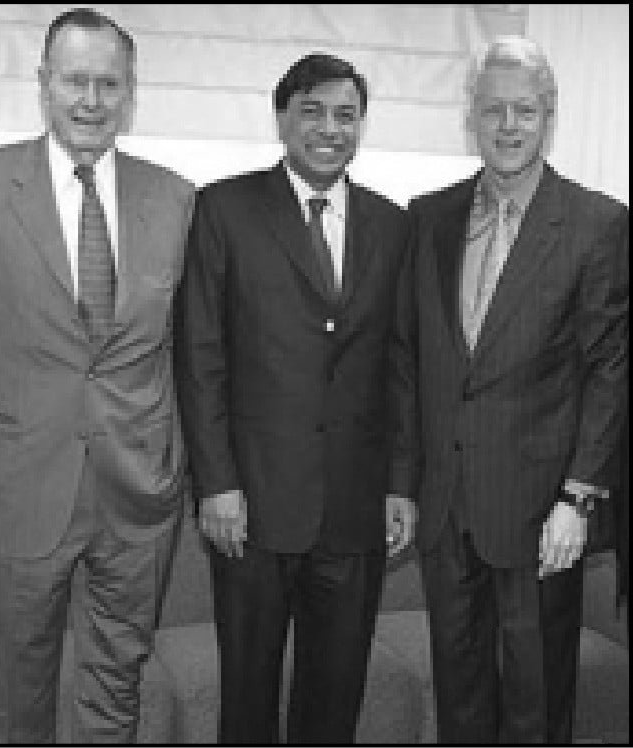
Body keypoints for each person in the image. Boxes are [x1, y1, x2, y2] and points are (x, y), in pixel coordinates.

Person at [0, 8, 194, 743]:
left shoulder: (177, 200)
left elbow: (191, 346)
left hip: (137, 486)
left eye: (109, 83)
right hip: (21, 484)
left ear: (131, 91)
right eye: (75, 81)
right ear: (43, 83)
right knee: (15, 683)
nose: (91, 100)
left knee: (117, 680)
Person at [392, 36, 629, 742]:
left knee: (534, 704)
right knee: (460, 699)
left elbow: (611, 369)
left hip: (539, 518)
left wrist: (578, 498)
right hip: (444, 510)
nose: (508, 126)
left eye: (524, 110)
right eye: (493, 109)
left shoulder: (597, 224)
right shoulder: (426, 217)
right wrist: (402, 485)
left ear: (547, 116)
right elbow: (409, 360)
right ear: (472, 117)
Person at [176, 52, 415, 743]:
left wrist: (401, 483)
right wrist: (216, 484)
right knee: (247, 702)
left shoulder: (392, 224)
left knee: (334, 702)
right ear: (282, 117)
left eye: (346, 115)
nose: (329, 128)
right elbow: (201, 356)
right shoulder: (223, 208)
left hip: (353, 507)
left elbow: (399, 362)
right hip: (249, 508)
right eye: (312, 111)